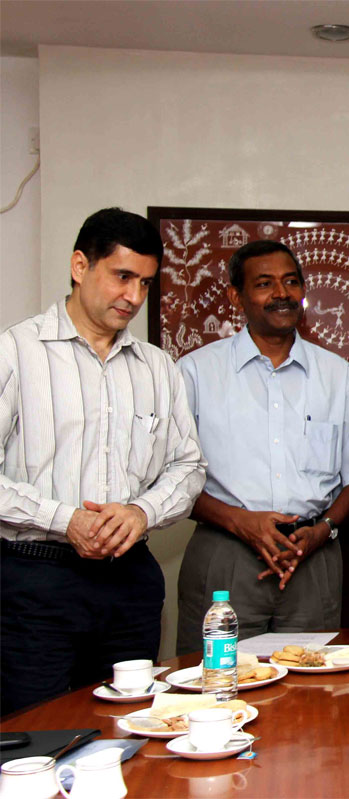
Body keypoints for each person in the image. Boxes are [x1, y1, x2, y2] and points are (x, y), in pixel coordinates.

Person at [0, 208, 205, 714]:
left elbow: (188, 466)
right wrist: (65, 520)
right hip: (34, 583)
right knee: (38, 736)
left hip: (130, 582)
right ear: (79, 266)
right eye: (122, 277)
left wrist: (141, 513)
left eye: (145, 283)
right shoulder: (14, 352)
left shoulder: (158, 367)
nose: (133, 297)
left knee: (130, 732)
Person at [175, 240, 349, 654]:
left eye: (291, 282)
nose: (281, 293)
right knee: (216, 685)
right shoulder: (194, 373)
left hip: (313, 555)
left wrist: (324, 530)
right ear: (236, 296)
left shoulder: (341, 378)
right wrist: (241, 523)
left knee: (311, 695)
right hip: (225, 553)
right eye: (264, 283)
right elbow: (173, 479)